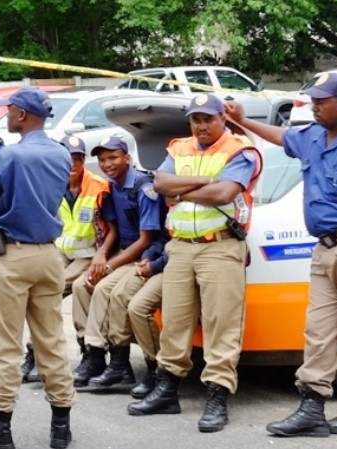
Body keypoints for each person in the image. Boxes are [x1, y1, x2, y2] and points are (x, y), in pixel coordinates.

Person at [225, 73, 337, 437]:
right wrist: (242, 120)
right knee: (319, 330)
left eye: (322, 100)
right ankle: (312, 405)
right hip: (325, 247)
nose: (315, 105)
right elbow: (283, 137)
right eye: (313, 99)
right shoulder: (313, 135)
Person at [127, 93, 261, 434]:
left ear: (223, 119)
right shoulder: (179, 148)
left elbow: (223, 194)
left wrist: (181, 191)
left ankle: (217, 395)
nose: (201, 125)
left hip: (220, 245)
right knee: (174, 321)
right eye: (195, 119)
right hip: (180, 246)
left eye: (208, 119)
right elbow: (160, 183)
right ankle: (167, 389)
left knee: (221, 324)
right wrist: (205, 182)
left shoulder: (240, 149)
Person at [0, 86, 76, 449]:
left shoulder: (12, 155)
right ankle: (61, 425)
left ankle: (0, 426)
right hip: (50, 255)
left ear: (21, 115)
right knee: (51, 340)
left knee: (6, 345)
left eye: (11, 110)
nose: (8, 116)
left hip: (14, 256)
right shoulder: (62, 155)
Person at [70, 136, 163, 388]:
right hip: (122, 251)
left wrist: (110, 265)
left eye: (113, 157)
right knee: (82, 285)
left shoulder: (143, 187)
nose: (107, 163)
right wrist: (101, 255)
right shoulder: (112, 187)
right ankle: (94, 355)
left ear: (127, 158)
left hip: (145, 254)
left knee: (103, 289)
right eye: (102, 159)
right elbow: (113, 229)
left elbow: (145, 240)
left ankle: (114, 359)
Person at [21, 135, 114, 384]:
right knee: (38, 290)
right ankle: (38, 353)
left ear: (83, 160)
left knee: (55, 288)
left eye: (77, 157)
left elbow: (113, 227)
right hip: (61, 251)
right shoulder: (49, 183)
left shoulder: (98, 186)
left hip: (89, 253)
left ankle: (87, 353)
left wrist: (102, 253)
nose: (73, 163)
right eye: (68, 158)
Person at [87, 229, 169, 396]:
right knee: (116, 294)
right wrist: (148, 257)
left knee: (137, 307)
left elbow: (179, 250)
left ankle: (158, 372)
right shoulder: (176, 208)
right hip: (158, 259)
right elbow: (164, 237)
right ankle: (118, 361)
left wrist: (153, 265)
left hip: (174, 264)